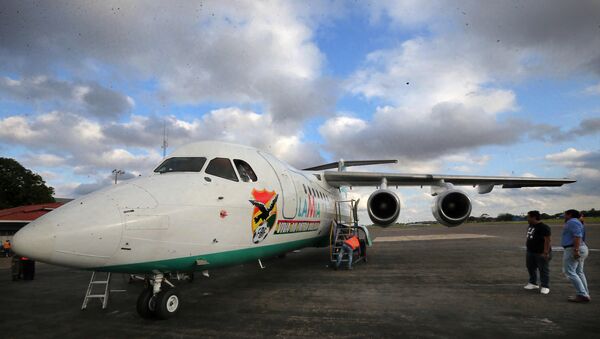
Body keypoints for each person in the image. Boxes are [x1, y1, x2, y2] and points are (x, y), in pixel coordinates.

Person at [561, 209, 590, 303]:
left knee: (569, 271)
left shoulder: (572, 222)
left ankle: (582, 294)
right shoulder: (576, 222)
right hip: (580, 248)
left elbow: (577, 236)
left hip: (573, 248)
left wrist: (576, 250)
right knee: (579, 272)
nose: (564, 216)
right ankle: (585, 293)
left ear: (569, 215)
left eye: (565, 214)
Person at [523, 211, 552, 294]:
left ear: (534, 217)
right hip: (530, 251)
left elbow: (548, 240)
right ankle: (533, 283)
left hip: (540, 252)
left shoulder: (544, 227)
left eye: (528, 217)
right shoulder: (531, 225)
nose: (527, 219)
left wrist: (545, 252)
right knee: (530, 267)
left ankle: (545, 286)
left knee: (543, 269)